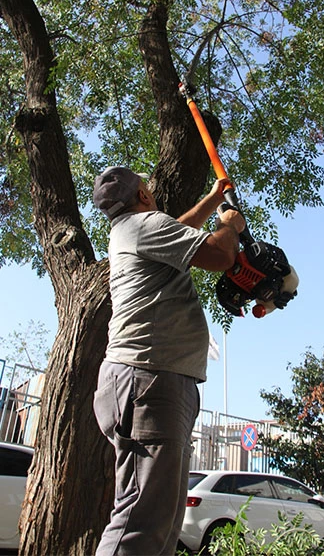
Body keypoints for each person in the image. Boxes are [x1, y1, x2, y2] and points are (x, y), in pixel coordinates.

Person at [91, 166, 246, 555]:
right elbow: (218, 255)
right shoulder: (145, 226)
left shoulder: (133, 231)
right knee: (140, 522)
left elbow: (177, 229)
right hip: (150, 380)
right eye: (147, 187)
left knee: (160, 521)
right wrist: (230, 225)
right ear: (143, 196)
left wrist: (212, 201)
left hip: (148, 380)